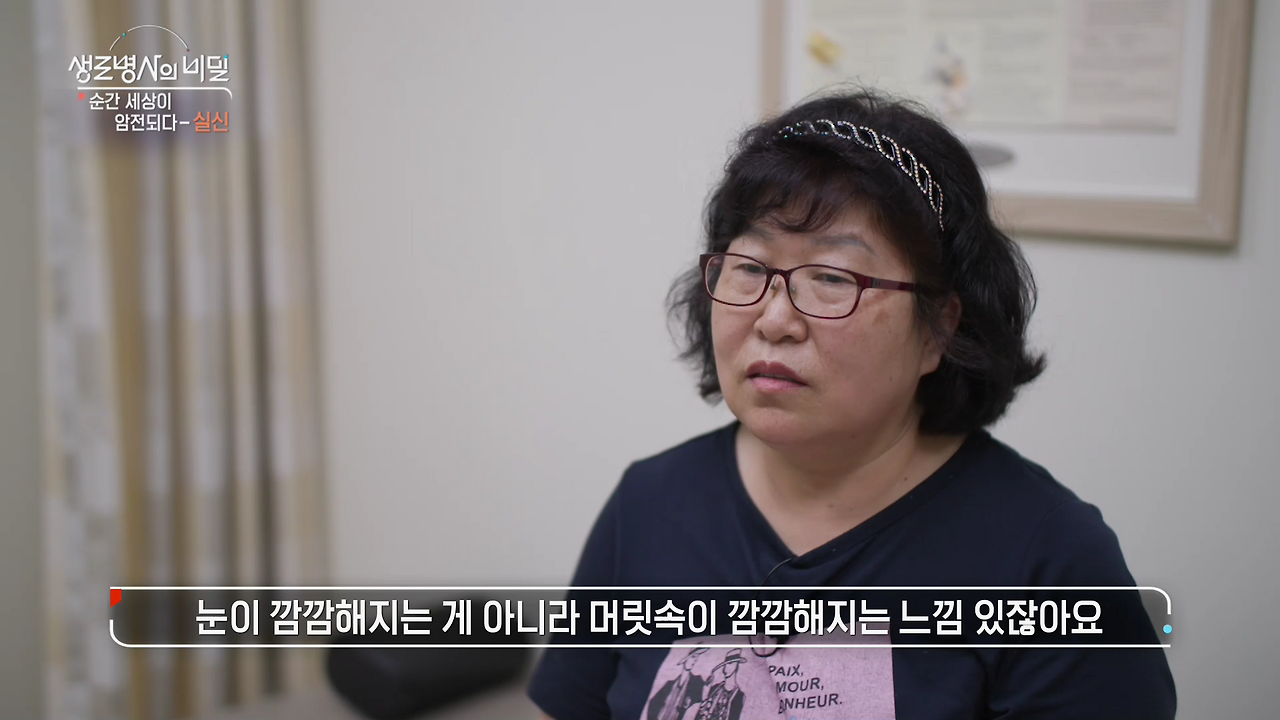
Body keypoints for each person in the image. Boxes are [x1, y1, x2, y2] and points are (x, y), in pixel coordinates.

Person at [527, 88, 1176, 719]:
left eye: (832, 278)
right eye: (750, 268)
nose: (774, 319)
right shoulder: (649, 503)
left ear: (940, 327)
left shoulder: (1051, 559)